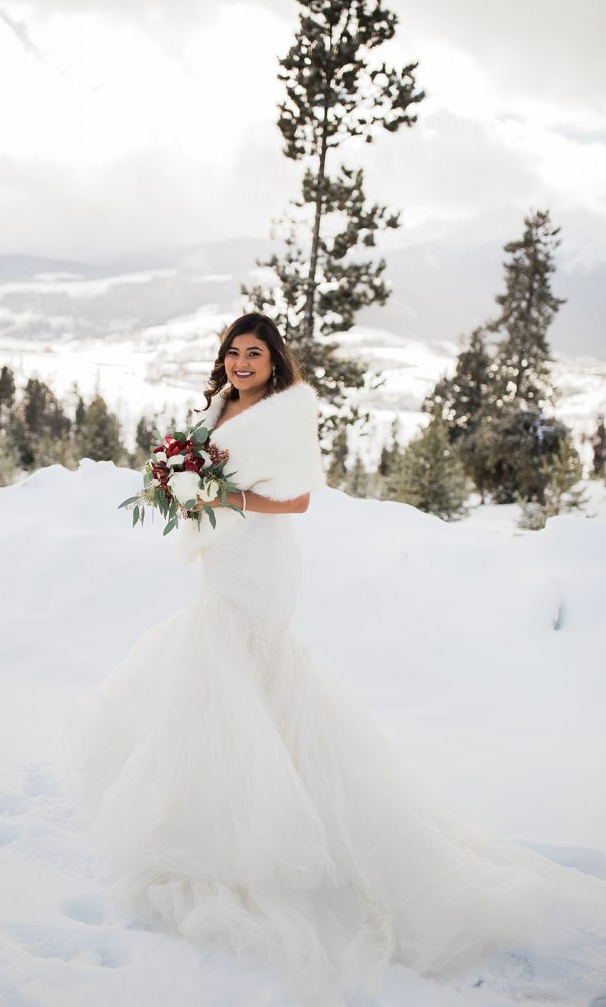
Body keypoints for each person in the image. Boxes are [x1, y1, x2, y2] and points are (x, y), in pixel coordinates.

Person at [67, 312, 606, 1006]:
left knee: (239, 666)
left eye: (253, 353)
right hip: (223, 558)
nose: (239, 362)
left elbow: (294, 498)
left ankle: (273, 826)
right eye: (233, 351)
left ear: (273, 360)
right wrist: (176, 480)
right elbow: (193, 468)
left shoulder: (285, 415)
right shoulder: (219, 405)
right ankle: (222, 806)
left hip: (260, 565)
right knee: (216, 674)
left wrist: (217, 493)